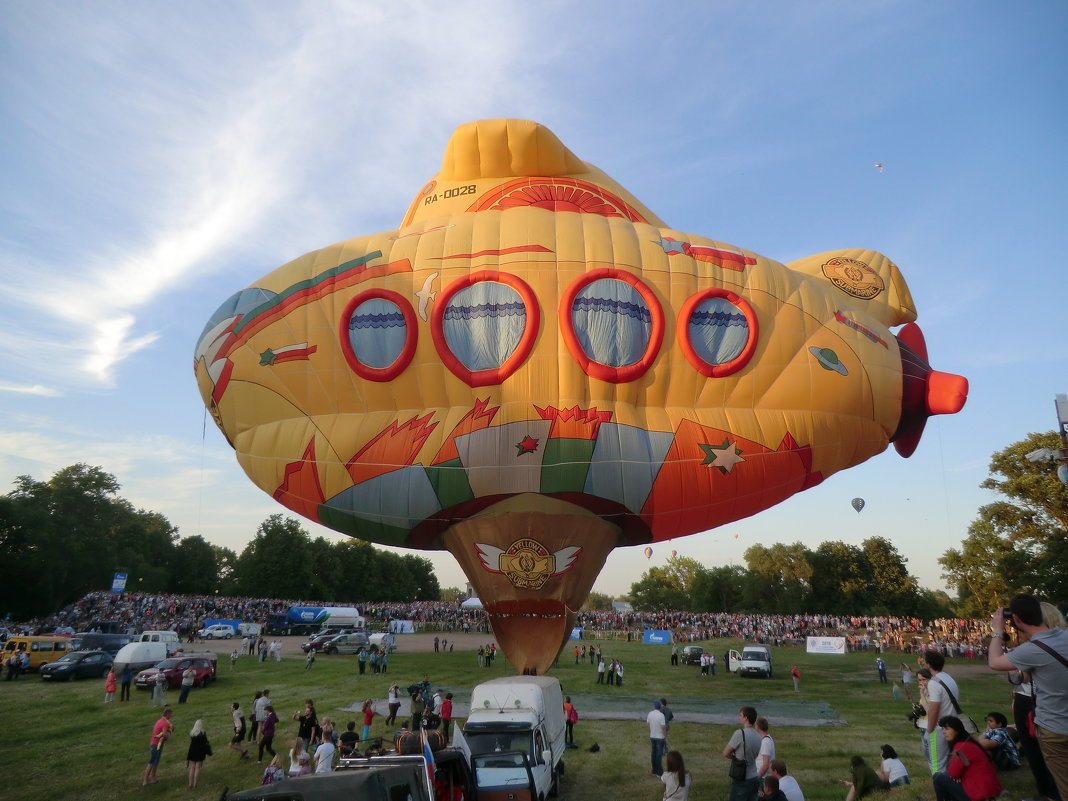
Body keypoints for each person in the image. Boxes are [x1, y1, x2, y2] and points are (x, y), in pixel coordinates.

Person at [988, 594, 1068, 801]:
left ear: (1016, 619)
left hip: (1055, 729)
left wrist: (997, 632)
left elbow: (995, 662)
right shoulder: (1064, 637)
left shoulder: (1031, 650)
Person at [932, 715, 1002, 801]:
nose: (944, 732)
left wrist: (957, 776)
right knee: (946, 776)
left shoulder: (961, 748)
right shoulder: (969, 742)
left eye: (947, 729)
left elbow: (953, 773)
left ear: (957, 730)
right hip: (990, 792)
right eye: (943, 729)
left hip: (978, 794)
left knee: (938, 777)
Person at [924, 649, 961, 774]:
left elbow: (934, 708)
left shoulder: (934, 682)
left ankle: (941, 791)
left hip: (940, 728)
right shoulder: (948, 678)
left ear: (928, 664)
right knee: (949, 761)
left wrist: (930, 729)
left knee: (937, 765)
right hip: (953, 724)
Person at [724, 706, 761, 801]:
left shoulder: (740, 733)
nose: (739, 717)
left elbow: (726, 753)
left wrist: (735, 757)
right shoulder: (758, 735)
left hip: (742, 778)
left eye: (740, 715)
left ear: (746, 718)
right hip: (754, 777)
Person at [142, 707, 174, 786]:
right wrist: (170, 731)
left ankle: (153, 777)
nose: (171, 715)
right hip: (156, 745)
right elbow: (165, 736)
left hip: (155, 743)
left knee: (156, 761)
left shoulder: (160, 720)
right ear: (167, 714)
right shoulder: (165, 723)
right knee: (152, 762)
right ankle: (145, 779)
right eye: (170, 714)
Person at [186, 718, 213, 789]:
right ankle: (195, 784)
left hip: (192, 751)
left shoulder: (191, 733)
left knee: (192, 768)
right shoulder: (203, 733)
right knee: (197, 768)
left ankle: (190, 784)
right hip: (200, 752)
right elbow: (206, 742)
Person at [648, 700, 668, 777]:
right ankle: (659, 773)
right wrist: (665, 737)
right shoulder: (661, 715)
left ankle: (654, 770)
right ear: (660, 707)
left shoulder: (650, 714)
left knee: (653, 753)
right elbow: (663, 727)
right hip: (660, 737)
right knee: (659, 755)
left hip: (652, 736)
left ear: (654, 707)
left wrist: (651, 731)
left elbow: (648, 724)